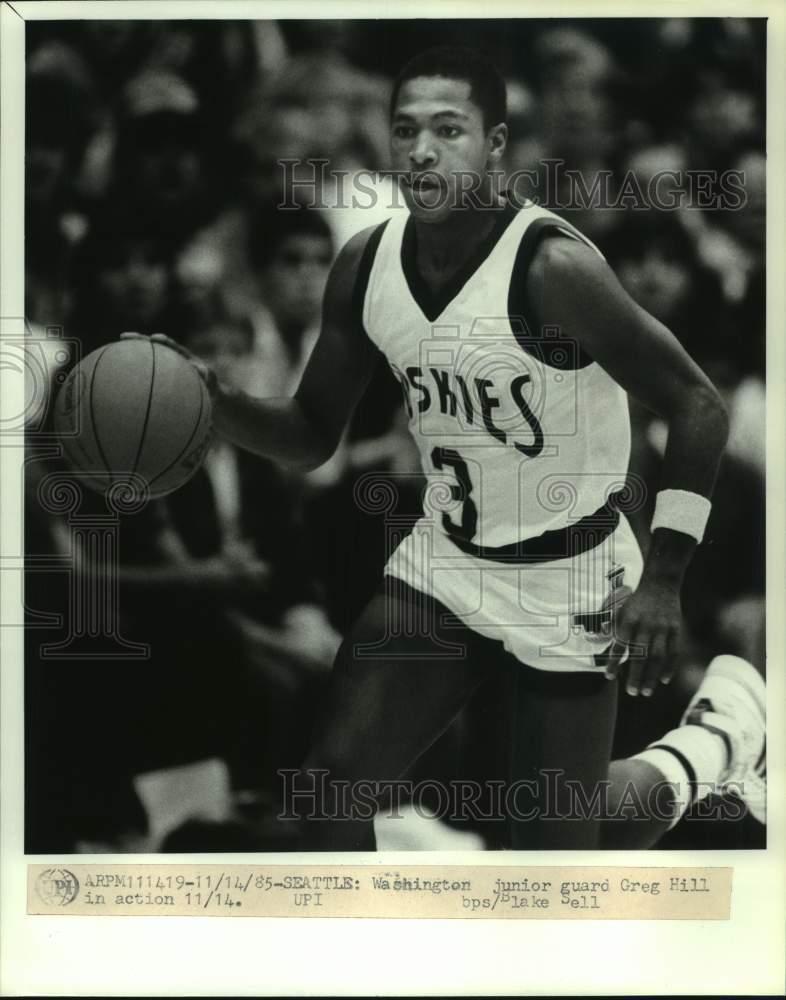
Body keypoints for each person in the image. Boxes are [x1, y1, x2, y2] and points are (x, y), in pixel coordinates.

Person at [125, 46, 765, 850]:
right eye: (405, 130)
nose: (422, 149)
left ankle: (708, 749)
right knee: (329, 789)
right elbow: (310, 433)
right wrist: (213, 401)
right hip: (448, 558)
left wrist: (666, 578)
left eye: (448, 129)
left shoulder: (553, 268)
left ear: (495, 145)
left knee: (557, 858)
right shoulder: (365, 264)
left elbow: (698, 404)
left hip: (572, 569)